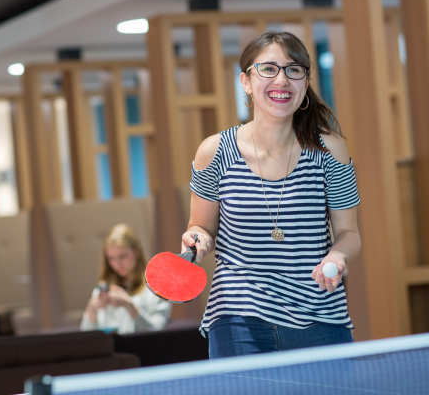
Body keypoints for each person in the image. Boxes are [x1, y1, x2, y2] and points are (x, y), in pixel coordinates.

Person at [182, 31, 362, 358]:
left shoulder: (329, 150)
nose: (282, 79)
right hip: (238, 316)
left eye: (294, 70)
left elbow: (350, 234)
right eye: (268, 69)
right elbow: (201, 227)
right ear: (246, 82)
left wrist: (338, 255)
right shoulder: (214, 152)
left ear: (305, 84)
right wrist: (197, 240)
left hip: (320, 317)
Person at [80, 223, 171, 334]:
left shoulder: (157, 289)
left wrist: (130, 306)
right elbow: (86, 338)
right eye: (111, 258)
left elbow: (158, 332)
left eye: (122, 256)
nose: (117, 264)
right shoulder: (102, 290)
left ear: (136, 252)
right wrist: (92, 310)